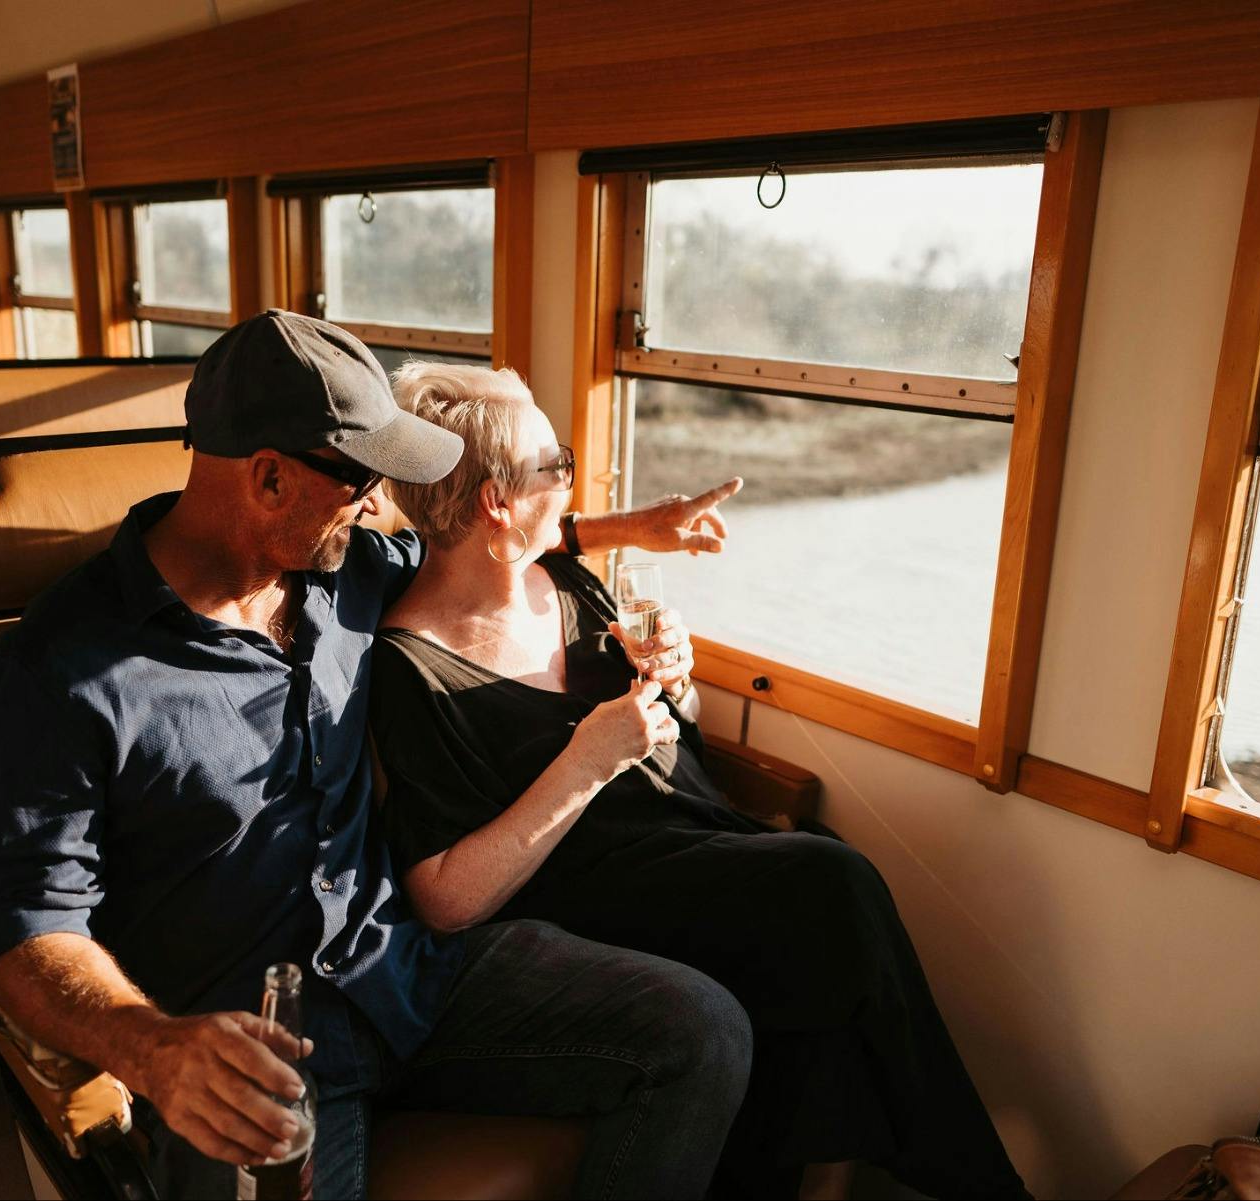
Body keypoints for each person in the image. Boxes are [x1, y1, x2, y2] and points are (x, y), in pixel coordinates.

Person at [0, 311, 758, 1200]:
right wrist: (151, 1047)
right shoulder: (59, 673)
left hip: (406, 972)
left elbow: (468, 539)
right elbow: (20, 925)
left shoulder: (344, 568)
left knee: (701, 1030)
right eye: (365, 479)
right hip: (252, 1038)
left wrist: (630, 528)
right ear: (268, 478)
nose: (382, 502)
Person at [368, 363, 1030, 1200]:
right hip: (583, 897)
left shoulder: (563, 578)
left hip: (685, 838)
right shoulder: (409, 669)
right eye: (555, 462)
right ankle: (983, 1186)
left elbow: (662, 730)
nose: (570, 477)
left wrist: (672, 677)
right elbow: (445, 899)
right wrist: (584, 761)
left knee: (807, 968)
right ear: (497, 499)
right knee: (830, 880)